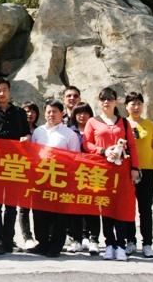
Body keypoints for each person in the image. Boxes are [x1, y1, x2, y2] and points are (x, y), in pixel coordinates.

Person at [83, 87, 139, 261]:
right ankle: (109, 244)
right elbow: (86, 144)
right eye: (103, 99)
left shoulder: (124, 122)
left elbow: (132, 146)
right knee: (105, 207)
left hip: (122, 171)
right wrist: (103, 150)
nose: (106, 102)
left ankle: (121, 245)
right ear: (99, 102)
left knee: (120, 207)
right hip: (101, 170)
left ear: (116, 101)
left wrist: (135, 168)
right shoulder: (92, 122)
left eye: (110, 99)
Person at [28, 100, 80, 257]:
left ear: (62, 113)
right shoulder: (38, 132)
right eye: (49, 112)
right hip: (41, 177)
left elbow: (75, 157)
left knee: (59, 214)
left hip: (60, 179)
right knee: (39, 213)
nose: (51, 115)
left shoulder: (69, 134)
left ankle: (56, 245)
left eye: (55, 112)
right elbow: (33, 154)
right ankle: (42, 243)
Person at [0, 76, 31, 255]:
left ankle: (8, 240)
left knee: (11, 205)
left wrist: (26, 138)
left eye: (5, 89)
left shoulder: (19, 113)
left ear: (9, 92)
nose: (2, 93)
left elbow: (27, 133)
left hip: (14, 164)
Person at [124, 92, 153, 258]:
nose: (136, 107)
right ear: (126, 106)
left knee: (145, 209)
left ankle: (147, 243)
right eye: (132, 104)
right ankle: (130, 241)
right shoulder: (122, 124)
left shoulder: (150, 125)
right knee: (128, 208)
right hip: (126, 171)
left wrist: (147, 160)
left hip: (146, 171)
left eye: (139, 103)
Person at [67, 102, 101, 255]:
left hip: (93, 172)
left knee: (93, 206)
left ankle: (94, 240)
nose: (82, 116)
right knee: (75, 207)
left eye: (85, 112)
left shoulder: (95, 129)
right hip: (74, 173)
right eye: (79, 113)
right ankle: (77, 240)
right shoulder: (69, 131)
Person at [17, 101, 39, 251]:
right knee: (23, 207)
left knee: (39, 206)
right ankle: (27, 237)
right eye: (26, 111)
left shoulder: (40, 131)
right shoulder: (17, 130)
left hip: (39, 173)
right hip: (20, 171)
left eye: (32, 111)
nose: (29, 114)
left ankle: (42, 236)